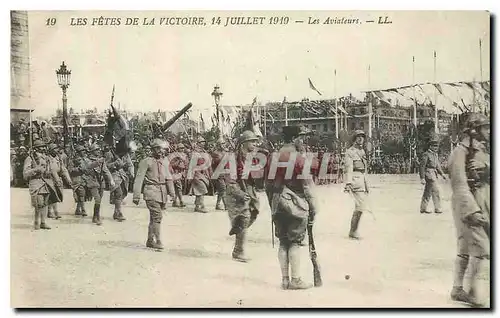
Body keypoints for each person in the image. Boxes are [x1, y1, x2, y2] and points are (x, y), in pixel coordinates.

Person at [448, 113, 490, 307]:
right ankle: (472, 293)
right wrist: (472, 210)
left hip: (478, 202)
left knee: (465, 247)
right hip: (466, 205)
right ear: (473, 130)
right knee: (482, 248)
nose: (489, 131)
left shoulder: (480, 150)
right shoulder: (459, 152)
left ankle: (457, 289)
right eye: (485, 128)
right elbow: (459, 184)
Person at [267, 126, 316, 289]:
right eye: (301, 137)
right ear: (294, 138)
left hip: (277, 202)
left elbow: (268, 184)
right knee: (295, 242)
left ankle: (285, 280)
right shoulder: (300, 159)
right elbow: (307, 186)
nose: (303, 141)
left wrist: (272, 204)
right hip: (296, 203)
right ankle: (296, 280)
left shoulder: (273, 157)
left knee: (283, 242)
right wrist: (313, 207)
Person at [224, 130, 260, 263]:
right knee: (243, 218)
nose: (255, 144)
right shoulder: (233, 158)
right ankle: (238, 251)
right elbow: (231, 181)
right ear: (244, 143)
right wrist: (240, 194)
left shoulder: (252, 157)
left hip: (249, 191)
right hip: (236, 192)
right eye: (252, 141)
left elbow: (257, 177)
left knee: (253, 214)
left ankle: (238, 229)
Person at [133, 139, 168, 250]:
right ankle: (158, 241)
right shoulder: (146, 161)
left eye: (161, 149)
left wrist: (172, 193)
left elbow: (169, 178)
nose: (160, 151)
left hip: (162, 193)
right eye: (157, 148)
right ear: (152, 149)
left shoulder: (164, 162)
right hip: (151, 191)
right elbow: (139, 178)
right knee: (157, 216)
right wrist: (136, 195)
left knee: (154, 218)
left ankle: (150, 240)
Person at [23, 140, 62, 230]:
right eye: (41, 147)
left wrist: (56, 179)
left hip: (47, 182)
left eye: (44, 146)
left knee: (45, 203)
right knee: (39, 203)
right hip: (36, 183)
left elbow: (52, 170)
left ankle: (43, 222)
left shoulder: (46, 158)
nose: (44, 148)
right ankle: (36, 221)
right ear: (36, 148)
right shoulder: (30, 158)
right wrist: (36, 170)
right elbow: (25, 174)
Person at [344, 130, 370, 240]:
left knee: (360, 207)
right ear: (354, 138)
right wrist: (348, 183)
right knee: (360, 207)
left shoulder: (362, 151)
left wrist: (366, 184)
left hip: (361, 179)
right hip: (355, 180)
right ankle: (353, 231)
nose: (360, 139)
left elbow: (365, 169)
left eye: (362, 137)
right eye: (358, 137)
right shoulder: (350, 152)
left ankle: (353, 230)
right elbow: (348, 168)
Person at [83, 143, 115, 225]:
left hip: (100, 182)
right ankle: (95, 217)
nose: (98, 151)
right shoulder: (87, 159)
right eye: (96, 150)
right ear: (92, 151)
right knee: (97, 199)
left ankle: (96, 216)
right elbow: (89, 166)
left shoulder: (101, 160)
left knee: (99, 200)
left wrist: (111, 179)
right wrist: (98, 162)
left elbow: (106, 171)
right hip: (92, 181)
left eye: (99, 150)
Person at [105, 144, 134, 222]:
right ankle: (119, 213)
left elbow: (130, 165)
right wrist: (114, 164)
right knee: (119, 193)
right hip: (114, 175)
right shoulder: (110, 154)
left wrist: (131, 172)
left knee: (122, 194)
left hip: (123, 176)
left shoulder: (126, 155)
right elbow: (105, 166)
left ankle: (116, 212)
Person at [419, 136, 446, 214]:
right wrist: (422, 178)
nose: (436, 148)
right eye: (434, 146)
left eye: (436, 146)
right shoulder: (426, 154)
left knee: (428, 192)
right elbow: (422, 166)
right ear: (430, 146)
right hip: (429, 174)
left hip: (434, 173)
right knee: (435, 191)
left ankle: (423, 208)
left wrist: (442, 174)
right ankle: (437, 208)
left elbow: (437, 166)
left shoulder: (435, 155)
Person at [46, 143, 72, 219]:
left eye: (56, 149)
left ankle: (54, 211)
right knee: (51, 195)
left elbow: (63, 169)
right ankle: (50, 211)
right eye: (54, 149)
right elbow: (48, 170)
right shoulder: (47, 158)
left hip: (57, 178)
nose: (56, 150)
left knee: (57, 194)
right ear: (50, 150)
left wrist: (68, 179)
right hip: (49, 178)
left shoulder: (59, 158)